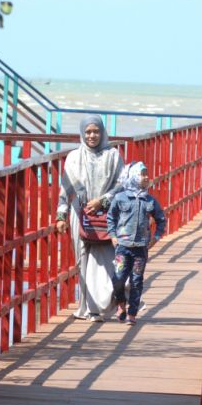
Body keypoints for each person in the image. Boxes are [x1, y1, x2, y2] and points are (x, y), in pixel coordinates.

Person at [55, 115, 124, 320]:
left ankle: (108, 304)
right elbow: (65, 189)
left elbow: (122, 184)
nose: (92, 136)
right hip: (80, 214)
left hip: (107, 214)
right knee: (82, 260)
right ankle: (86, 306)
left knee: (108, 260)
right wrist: (61, 215)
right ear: (82, 133)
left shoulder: (113, 155)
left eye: (96, 131)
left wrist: (102, 200)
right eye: (88, 132)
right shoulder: (74, 157)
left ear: (102, 132)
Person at [107, 162, 166, 325]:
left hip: (140, 248)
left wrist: (156, 237)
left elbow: (161, 220)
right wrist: (113, 235)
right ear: (133, 176)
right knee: (118, 278)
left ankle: (132, 313)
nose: (147, 177)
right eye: (142, 174)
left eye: (147, 174)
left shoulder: (150, 201)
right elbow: (111, 217)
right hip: (122, 247)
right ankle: (121, 304)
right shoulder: (120, 198)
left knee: (136, 280)